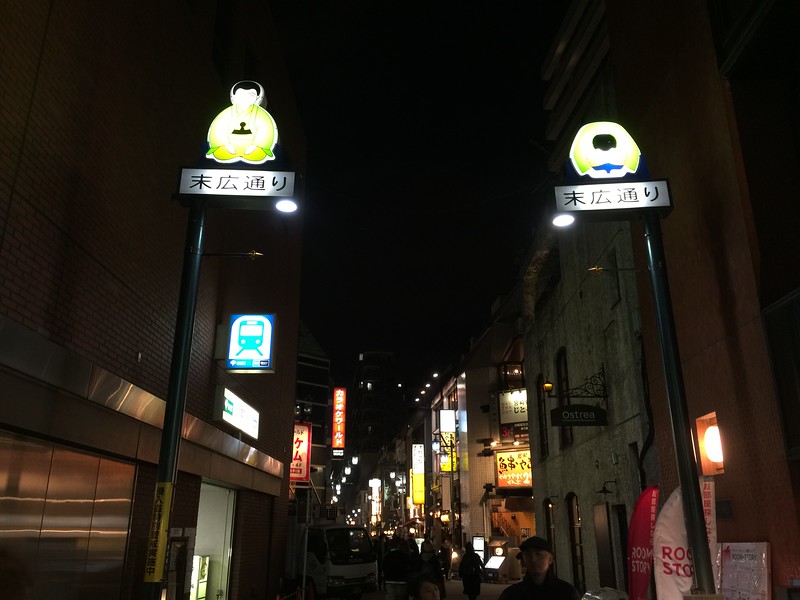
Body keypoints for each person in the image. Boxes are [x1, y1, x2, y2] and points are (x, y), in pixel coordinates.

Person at [498, 537, 579, 600]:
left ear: (550, 559)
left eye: (539, 554)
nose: (533, 559)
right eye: (528, 555)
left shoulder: (566, 592)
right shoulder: (511, 595)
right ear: (523, 560)